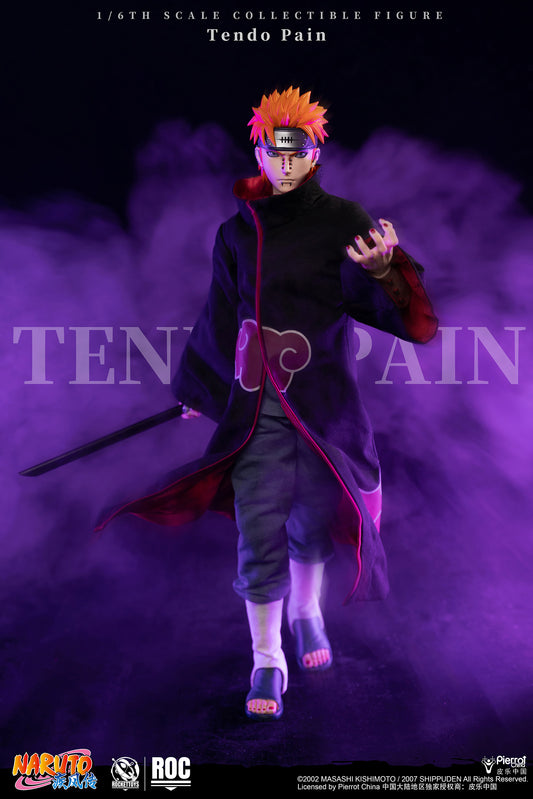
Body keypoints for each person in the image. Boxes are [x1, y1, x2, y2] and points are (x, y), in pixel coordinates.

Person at [98, 86, 438, 720]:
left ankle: (307, 613)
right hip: (257, 411)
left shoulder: (343, 220)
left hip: (323, 409)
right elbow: (220, 315)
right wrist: (201, 388)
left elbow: (409, 323)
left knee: (311, 521)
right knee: (258, 530)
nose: (283, 163)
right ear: (258, 151)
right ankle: (267, 659)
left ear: (314, 155)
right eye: (272, 151)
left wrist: (384, 272)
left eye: (295, 152)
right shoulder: (237, 231)